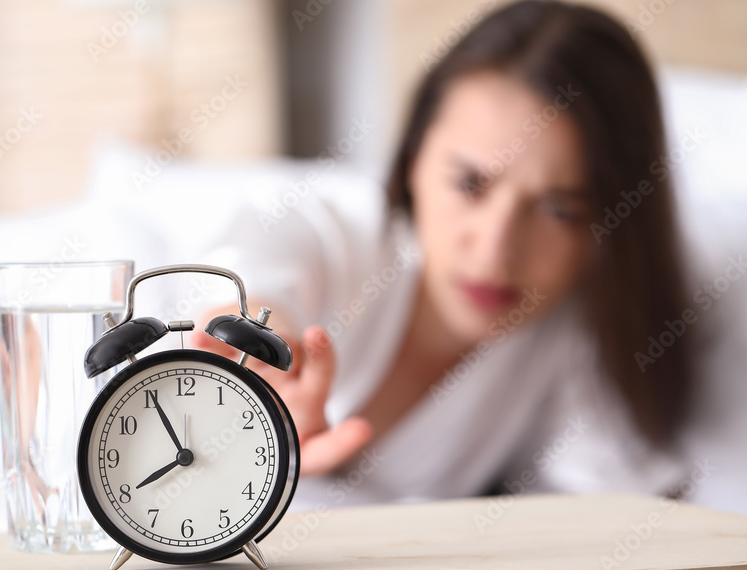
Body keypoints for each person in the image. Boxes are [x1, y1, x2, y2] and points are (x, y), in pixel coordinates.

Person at [191, 0, 721, 510]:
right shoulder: (344, 231)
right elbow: (258, 259)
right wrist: (257, 343)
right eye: (470, 184)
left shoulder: (579, 344)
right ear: (413, 158)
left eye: (560, 210)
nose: (496, 248)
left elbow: (593, 509)